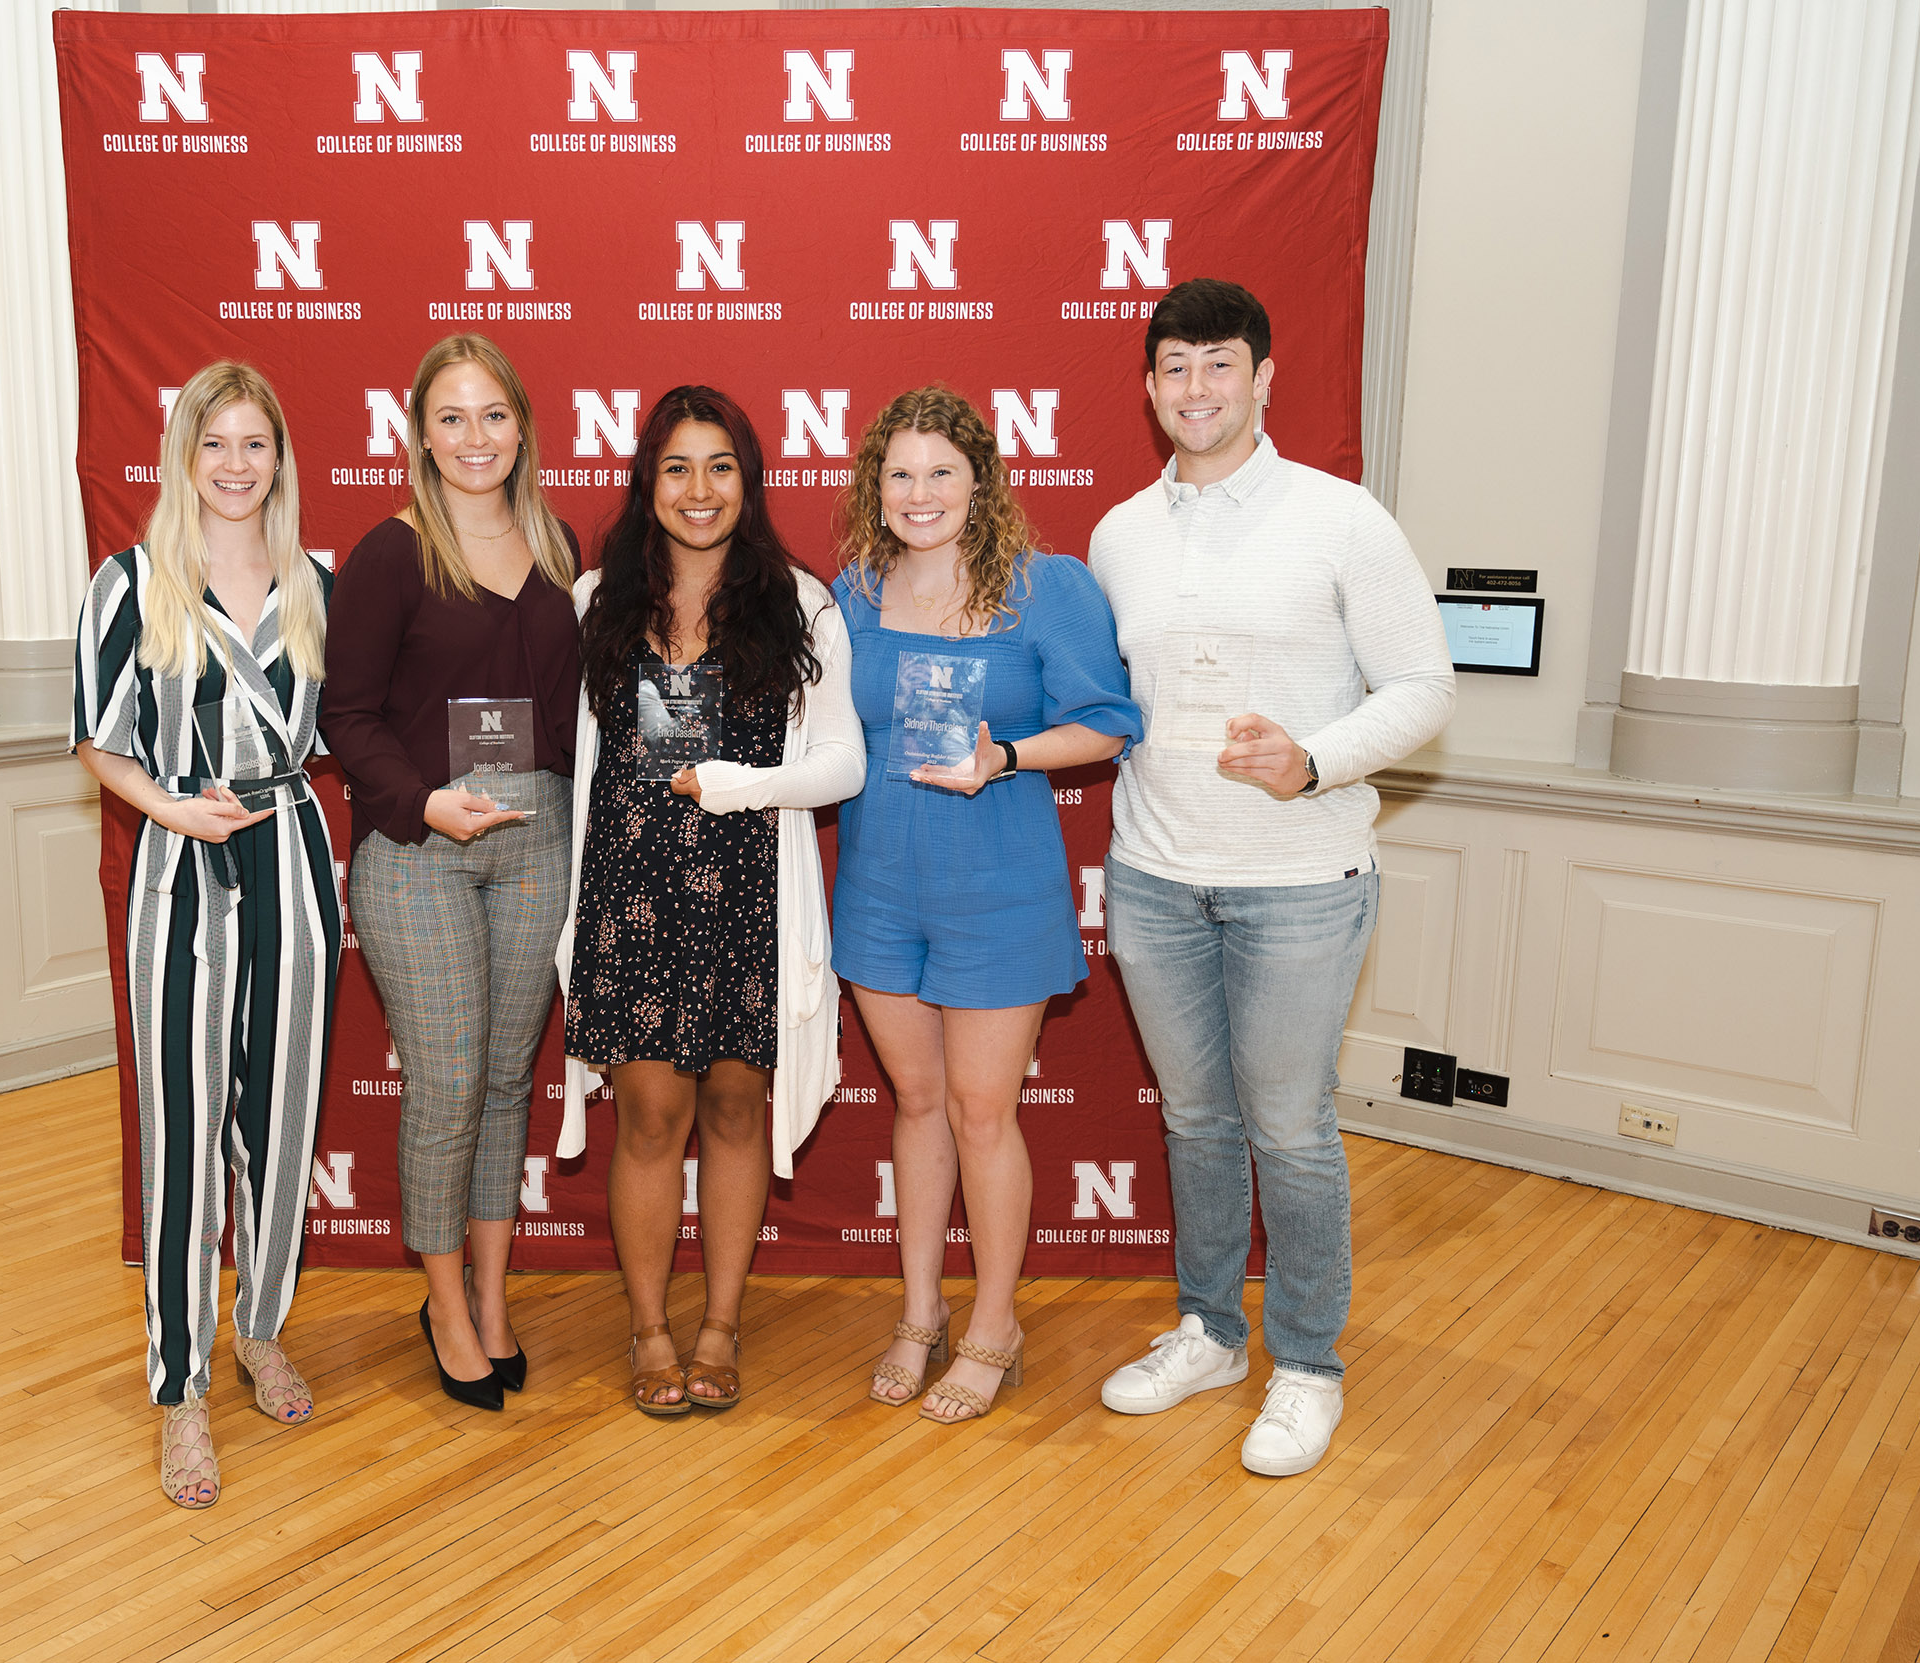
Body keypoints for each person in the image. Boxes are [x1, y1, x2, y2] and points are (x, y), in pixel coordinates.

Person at [1087, 278, 1455, 1476]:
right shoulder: (1118, 534)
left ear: (1263, 377)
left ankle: (1306, 1362)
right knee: (1195, 1119)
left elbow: (1423, 688)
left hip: (1301, 880)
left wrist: (1311, 761)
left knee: (1289, 1129)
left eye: (1218, 365)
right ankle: (1208, 1328)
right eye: (1175, 368)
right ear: (1149, 389)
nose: (1196, 389)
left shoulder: (1342, 517)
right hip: (1151, 877)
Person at [553, 386, 865, 1416]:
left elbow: (843, 766)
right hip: (630, 892)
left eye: (720, 466)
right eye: (678, 467)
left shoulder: (800, 603)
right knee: (648, 1115)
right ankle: (648, 1327)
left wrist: (751, 784)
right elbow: (564, 758)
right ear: (648, 479)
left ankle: (720, 1325)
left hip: (750, 896)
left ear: (749, 479)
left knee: (736, 1106)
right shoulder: (595, 597)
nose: (699, 490)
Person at [834, 387, 1143, 1424]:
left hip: (998, 887)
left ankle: (995, 1323)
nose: (919, 495)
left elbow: (1104, 725)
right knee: (916, 1105)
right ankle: (918, 1313)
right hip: (879, 889)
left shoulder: (1045, 587)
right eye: (900, 474)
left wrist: (1005, 755)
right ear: (875, 488)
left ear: (981, 481)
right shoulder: (854, 590)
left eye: (941, 473)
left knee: (980, 1111)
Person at [72, 361, 339, 1509]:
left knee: (280, 1127)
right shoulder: (130, 582)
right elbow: (96, 739)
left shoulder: (316, 582)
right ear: (184, 456)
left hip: (289, 853)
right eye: (215, 444)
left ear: (280, 458)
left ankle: (261, 1327)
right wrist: (173, 807)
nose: (236, 465)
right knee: (183, 1135)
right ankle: (179, 1387)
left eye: (256, 445)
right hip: (181, 860)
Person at [322, 335, 580, 1413]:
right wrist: (424, 800)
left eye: (493, 416)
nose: (475, 439)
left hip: (535, 836)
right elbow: (346, 716)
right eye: (451, 418)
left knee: (510, 1080)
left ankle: (490, 1288)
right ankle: (439, 1300)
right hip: (421, 845)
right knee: (447, 1084)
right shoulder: (390, 552)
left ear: (522, 424)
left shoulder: (561, 545)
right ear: (419, 434)